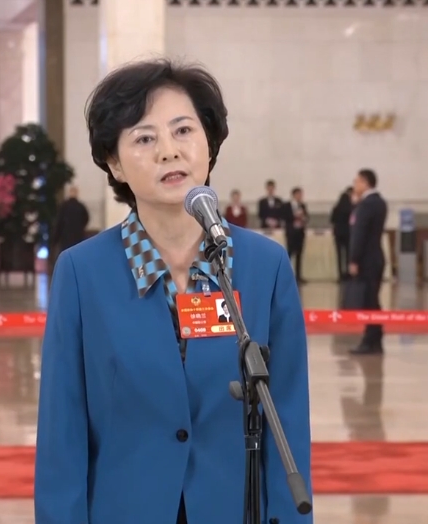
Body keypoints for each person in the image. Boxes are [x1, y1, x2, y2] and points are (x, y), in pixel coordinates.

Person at [34, 58, 313, 524]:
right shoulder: (82, 273)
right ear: (115, 163)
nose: (169, 151)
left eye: (183, 130)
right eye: (144, 138)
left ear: (209, 143)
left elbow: (288, 419)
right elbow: (61, 432)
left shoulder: (265, 266)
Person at [347, 169, 388, 355]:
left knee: (369, 301)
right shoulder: (379, 202)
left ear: (365, 182)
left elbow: (359, 233)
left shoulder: (366, 204)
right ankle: (375, 338)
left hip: (367, 259)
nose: (354, 185)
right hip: (376, 257)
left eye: (356, 182)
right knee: (373, 299)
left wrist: (354, 259)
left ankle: (370, 340)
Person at [51, 184, 90, 253]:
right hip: (78, 237)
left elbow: (59, 223)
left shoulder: (64, 206)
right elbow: (86, 219)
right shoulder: (81, 206)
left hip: (66, 238)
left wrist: (55, 240)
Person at [284, 187, 309, 283]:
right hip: (291, 232)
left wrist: (303, 218)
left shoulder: (302, 205)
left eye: (301, 195)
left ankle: (298, 276)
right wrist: (294, 216)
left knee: (299, 254)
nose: (300, 196)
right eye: (298, 194)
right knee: (290, 253)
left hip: (300, 232)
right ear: (294, 195)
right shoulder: (287, 205)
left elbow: (307, 217)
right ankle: (286, 275)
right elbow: (285, 217)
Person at [330, 187, 354, 281]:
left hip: (338, 233)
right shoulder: (350, 208)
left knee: (339, 255)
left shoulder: (336, 208)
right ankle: (348, 273)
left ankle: (340, 274)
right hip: (348, 233)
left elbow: (332, 220)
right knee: (348, 254)